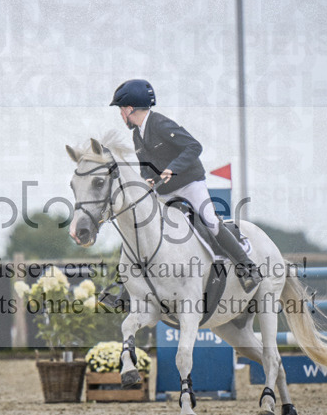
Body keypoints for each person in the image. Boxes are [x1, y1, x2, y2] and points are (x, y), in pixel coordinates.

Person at [110, 79, 263, 293]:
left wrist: (172, 168)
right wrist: (148, 179)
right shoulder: (137, 134)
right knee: (140, 227)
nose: (120, 115)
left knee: (211, 223)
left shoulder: (161, 124)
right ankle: (123, 289)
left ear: (129, 108)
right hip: (164, 191)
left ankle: (247, 268)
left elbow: (194, 146)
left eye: (120, 110)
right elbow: (146, 166)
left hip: (189, 183)